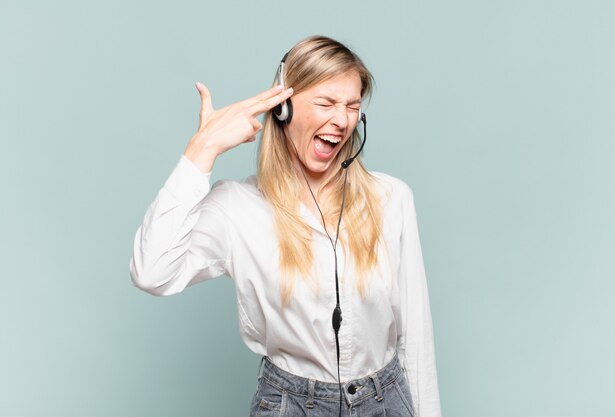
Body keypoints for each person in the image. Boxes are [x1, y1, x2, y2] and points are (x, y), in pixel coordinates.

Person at [130, 35, 441, 417]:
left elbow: (416, 333)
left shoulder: (392, 198)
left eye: (352, 106)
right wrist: (201, 151)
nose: (341, 120)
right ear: (283, 108)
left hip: (385, 400)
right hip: (290, 405)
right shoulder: (236, 207)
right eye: (326, 103)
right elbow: (152, 272)